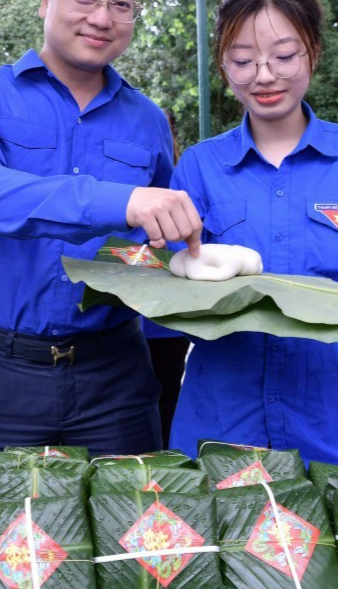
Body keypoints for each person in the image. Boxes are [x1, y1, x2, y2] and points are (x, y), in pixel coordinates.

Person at [0, 0, 202, 455]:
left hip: (118, 375)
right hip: (5, 374)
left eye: (122, 3)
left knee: (129, 528)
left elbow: (154, 246)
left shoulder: (148, 119)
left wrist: (152, 255)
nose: (102, 18)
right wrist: (122, 201)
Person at [168, 0, 338, 471]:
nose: (264, 75)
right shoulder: (199, 167)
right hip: (222, 431)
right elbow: (166, 286)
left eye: (284, 56)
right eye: (242, 61)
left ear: (313, 52)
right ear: (223, 66)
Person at [142, 108, 191, 449]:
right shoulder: (131, 186)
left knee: (165, 394)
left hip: (166, 322)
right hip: (138, 319)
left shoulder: (180, 184)